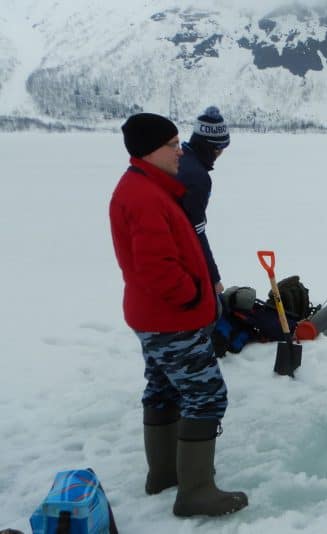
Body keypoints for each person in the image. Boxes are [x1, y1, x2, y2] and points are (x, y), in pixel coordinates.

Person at [109, 113, 248, 516]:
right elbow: (157, 266)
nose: (180, 150)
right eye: (171, 144)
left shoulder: (146, 186)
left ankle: (165, 475)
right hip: (170, 318)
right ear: (149, 151)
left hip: (153, 316)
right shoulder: (145, 196)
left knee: (163, 389)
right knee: (206, 396)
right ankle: (196, 492)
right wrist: (192, 298)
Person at [176, 106, 230, 295]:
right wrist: (213, 279)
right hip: (176, 262)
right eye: (221, 148)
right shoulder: (197, 177)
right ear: (211, 147)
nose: (221, 154)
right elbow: (194, 234)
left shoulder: (180, 161)